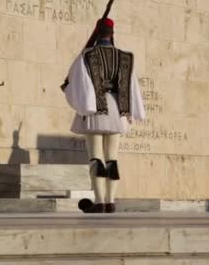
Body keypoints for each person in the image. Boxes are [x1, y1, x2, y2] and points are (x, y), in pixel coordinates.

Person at [62, 18, 146, 214]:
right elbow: (132, 87)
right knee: (112, 158)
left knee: (96, 158)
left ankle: (99, 202)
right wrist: (132, 112)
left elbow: (75, 84)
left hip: (95, 109)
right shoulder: (125, 57)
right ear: (112, 33)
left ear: (97, 32)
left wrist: (74, 95)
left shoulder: (87, 55)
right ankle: (110, 201)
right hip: (117, 110)